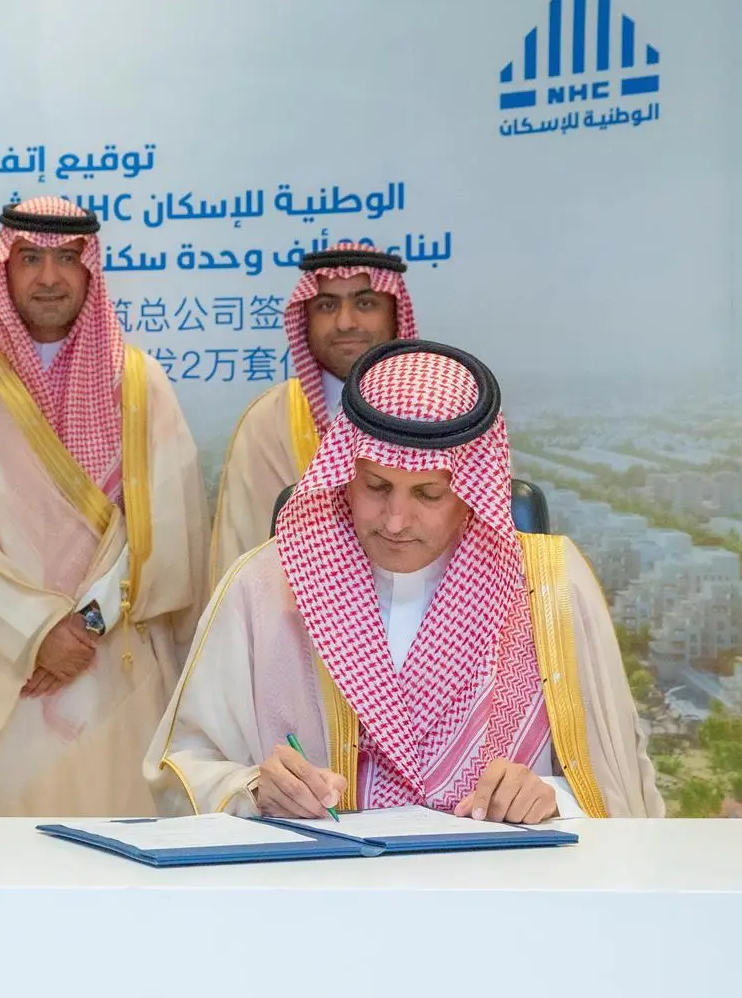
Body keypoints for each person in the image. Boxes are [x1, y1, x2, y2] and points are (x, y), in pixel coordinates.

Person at [146, 340, 663, 822]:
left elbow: (619, 780)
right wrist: (254, 789)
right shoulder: (264, 584)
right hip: (322, 882)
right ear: (345, 473)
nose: (395, 520)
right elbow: (183, 767)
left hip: (503, 882)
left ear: (471, 493)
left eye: (428, 495)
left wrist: (554, 798)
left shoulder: (552, 586)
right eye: (376, 486)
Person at [0, 198, 209, 817]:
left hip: (112, 667)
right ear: (5, 270)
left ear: (90, 271)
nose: (49, 278)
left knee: (119, 844)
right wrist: (36, 633)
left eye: (66, 260)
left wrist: (88, 624)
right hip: (7, 673)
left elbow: (169, 529)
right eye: (30, 259)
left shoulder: (139, 383)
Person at [209, 243, 417, 584]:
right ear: (305, 319)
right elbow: (247, 560)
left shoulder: (443, 416)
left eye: (365, 303)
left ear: (396, 316)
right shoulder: (267, 422)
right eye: (326, 306)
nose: (345, 322)